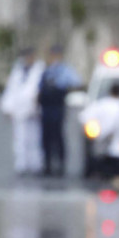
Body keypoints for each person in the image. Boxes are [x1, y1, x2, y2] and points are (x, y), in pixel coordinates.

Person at [78, 81, 119, 190]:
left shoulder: (99, 105)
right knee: (117, 178)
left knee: (100, 178)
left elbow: (84, 118)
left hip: (101, 148)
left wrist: (93, 133)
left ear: (110, 91)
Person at [38, 44, 82, 177]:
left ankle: (61, 164)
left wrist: (61, 85)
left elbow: (76, 82)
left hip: (58, 107)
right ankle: (47, 164)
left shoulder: (65, 70)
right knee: (46, 137)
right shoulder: (46, 71)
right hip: (46, 108)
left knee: (58, 136)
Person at [0, 47, 45, 175]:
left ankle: (36, 164)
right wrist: (7, 107)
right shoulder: (18, 71)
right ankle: (21, 164)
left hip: (34, 112)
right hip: (19, 111)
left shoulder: (40, 70)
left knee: (35, 139)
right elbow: (11, 90)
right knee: (20, 139)